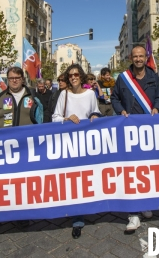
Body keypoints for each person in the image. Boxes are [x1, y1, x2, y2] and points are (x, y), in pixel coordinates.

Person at [112, 44, 159, 232]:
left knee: (146, 169)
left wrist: (156, 107)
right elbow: (115, 98)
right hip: (128, 130)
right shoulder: (123, 78)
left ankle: (145, 203)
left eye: (141, 56)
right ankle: (133, 213)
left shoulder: (152, 76)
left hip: (148, 130)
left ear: (145, 56)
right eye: (135, 56)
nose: (138, 59)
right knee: (131, 170)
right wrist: (120, 110)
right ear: (131, 58)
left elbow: (157, 97)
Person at [52, 64, 101, 239]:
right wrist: (66, 118)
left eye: (76, 74)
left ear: (81, 76)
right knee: (72, 180)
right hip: (69, 144)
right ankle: (77, 217)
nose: (73, 77)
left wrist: (95, 116)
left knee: (85, 178)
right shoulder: (63, 95)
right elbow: (55, 117)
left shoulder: (90, 94)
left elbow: (96, 112)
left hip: (86, 144)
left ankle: (87, 208)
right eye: (70, 75)